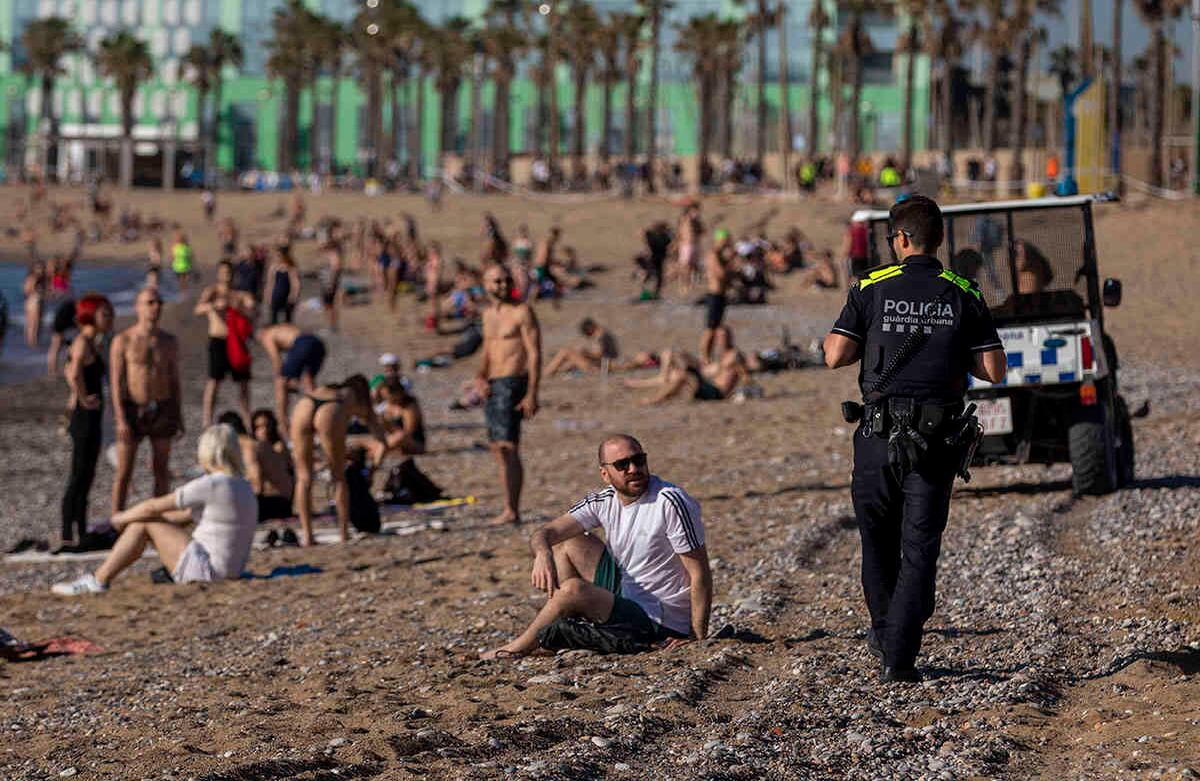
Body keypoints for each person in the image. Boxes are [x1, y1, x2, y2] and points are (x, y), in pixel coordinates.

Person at [823, 195, 1006, 683]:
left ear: (899, 239)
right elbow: (993, 369)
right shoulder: (963, 289)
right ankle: (899, 656)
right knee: (920, 549)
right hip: (935, 440)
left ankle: (887, 637)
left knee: (876, 543)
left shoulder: (871, 285)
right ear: (940, 239)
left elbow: (835, 355)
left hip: (877, 435)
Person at [481, 435, 712, 659]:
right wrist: (543, 553)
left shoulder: (669, 501)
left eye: (639, 460)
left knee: (573, 590)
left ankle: (516, 648)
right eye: (622, 464)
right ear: (605, 474)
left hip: (660, 620)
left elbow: (699, 571)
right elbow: (546, 532)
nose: (633, 469)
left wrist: (696, 635)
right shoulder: (605, 500)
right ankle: (565, 629)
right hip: (628, 591)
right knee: (569, 543)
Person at [51, 425, 257, 595]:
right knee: (147, 522)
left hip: (208, 572)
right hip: (230, 571)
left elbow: (153, 506)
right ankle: (98, 578)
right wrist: (149, 521)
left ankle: (98, 580)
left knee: (145, 523)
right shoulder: (243, 486)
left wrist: (119, 519)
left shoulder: (212, 484)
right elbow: (183, 517)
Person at [476, 263, 541, 526]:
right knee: (497, 448)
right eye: (496, 281)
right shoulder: (488, 314)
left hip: (514, 381)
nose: (503, 285)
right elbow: (488, 349)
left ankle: (512, 509)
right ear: (486, 284)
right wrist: (479, 376)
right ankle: (508, 506)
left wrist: (533, 393)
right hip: (493, 384)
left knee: (509, 447)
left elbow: (535, 353)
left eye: (506, 280)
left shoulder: (522, 312)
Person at [110, 287, 183, 514]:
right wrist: (120, 418)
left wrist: (178, 414)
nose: (156, 307)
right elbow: (115, 382)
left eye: (158, 302)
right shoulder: (124, 340)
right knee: (124, 471)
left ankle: (159, 520)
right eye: (150, 302)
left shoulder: (168, 341)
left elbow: (174, 379)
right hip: (133, 408)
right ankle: (116, 520)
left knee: (161, 469)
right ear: (138, 306)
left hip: (162, 406)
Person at [290, 375, 384, 546]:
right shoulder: (359, 400)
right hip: (331, 410)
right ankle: (343, 533)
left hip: (305, 403)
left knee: (303, 477)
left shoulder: (334, 387)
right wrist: (373, 468)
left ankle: (308, 536)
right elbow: (381, 441)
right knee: (339, 477)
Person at [59, 294, 114, 552]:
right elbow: (73, 371)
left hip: (90, 416)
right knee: (78, 475)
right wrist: (82, 398)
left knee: (88, 474)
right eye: (105, 313)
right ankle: (67, 535)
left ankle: (81, 531)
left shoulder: (93, 342)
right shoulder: (82, 342)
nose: (109, 317)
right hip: (84, 417)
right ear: (91, 314)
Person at [195, 260, 256, 427]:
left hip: (237, 341)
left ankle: (246, 417)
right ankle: (207, 419)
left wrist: (239, 308)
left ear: (233, 274)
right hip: (218, 340)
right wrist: (213, 306)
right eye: (222, 272)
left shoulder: (239, 294)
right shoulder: (212, 292)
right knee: (214, 381)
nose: (226, 275)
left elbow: (252, 310)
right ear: (218, 274)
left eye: (228, 272)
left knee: (243, 382)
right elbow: (198, 308)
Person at [218, 411, 295, 522]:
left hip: (276, 503)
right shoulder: (257, 444)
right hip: (283, 502)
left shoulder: (248, 447)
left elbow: (257, 484)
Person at [257, 322, 326, 429]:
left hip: (302, 343)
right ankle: (319, 416)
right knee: (308, 381)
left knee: (281, 383)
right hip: (317, 342)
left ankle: (282, 422)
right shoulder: (281, 328)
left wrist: (280, 376)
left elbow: (277, 361)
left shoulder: (267, 335)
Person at [700, 230, 733, 363]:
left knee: (716, 327)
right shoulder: (713, 255)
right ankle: (704, 356)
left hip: (720, 294)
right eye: (727, 240)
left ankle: (709, 355)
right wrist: (731, 265)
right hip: (714, 294)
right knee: (710, 328)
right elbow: (720, 274)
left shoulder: (719, 255)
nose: (728, 243)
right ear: (721, 240)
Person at [545, 318, 620, 376]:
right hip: (598, 366)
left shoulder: (604, 338)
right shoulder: (605, 336)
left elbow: (599, 356)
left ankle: (546, 373)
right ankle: (551, 370)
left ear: (592, 330)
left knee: (565, 352)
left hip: (597, 368)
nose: (591, 338)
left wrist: (585, 353)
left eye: (589, 335)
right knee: (570, 359)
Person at [266, 243, 300, 325]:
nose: (278, 258)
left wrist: (294, 295)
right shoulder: (273, 267)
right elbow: (270, 282)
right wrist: (268, 295)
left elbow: (295, 283)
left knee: (288, 319)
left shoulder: (290, 267)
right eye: (277, 256)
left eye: (279, 255)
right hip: (276, 294)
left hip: (286, 294)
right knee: (273, 318)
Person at [642, 221, 672, 299]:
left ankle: (647, 293)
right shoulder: (665, 238)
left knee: (651, 276)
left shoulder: (651, 235)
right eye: (667, 229)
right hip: (657, 260)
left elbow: (644, 232)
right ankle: (655, 294)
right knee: (658, 278)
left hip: (652, 259)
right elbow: (670, 243)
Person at [318, 239, 344, 332]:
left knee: (329, 305)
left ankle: (332, 325)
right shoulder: (331, 255)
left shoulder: (334, 255)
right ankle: (331, 325)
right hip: (326, 282)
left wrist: (331, 283)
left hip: (329, 283)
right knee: (327, 304)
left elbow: (335, 270)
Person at [23, 260, 46, 347]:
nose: (41, 270)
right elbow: (26, 290)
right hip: (34, 301)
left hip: (33, 301)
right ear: (34, 269)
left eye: (42, 268)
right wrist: (37, 292)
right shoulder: (34, 278)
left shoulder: (38, 278)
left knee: (33, 323)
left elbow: (25, 290)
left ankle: (31, 342)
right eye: (39, 268)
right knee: (35, 323)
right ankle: (33, 342)